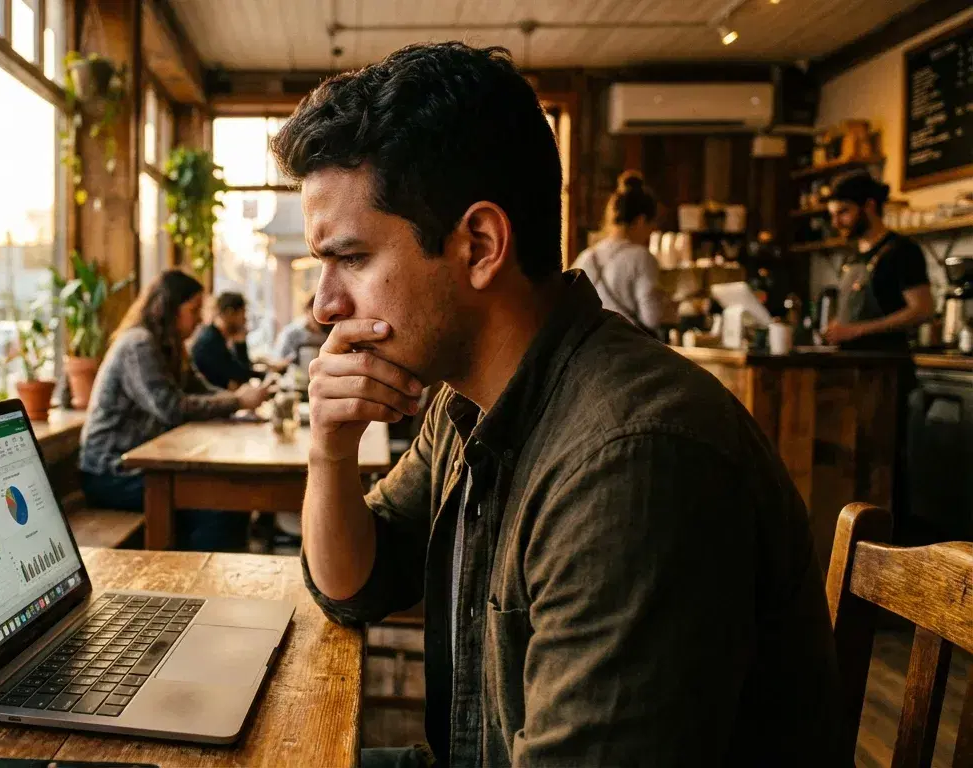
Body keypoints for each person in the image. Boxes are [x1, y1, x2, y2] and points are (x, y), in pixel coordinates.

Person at [271, 42, 840, 767]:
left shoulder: (633, 462)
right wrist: (330, 449)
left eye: (351, 258)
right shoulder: (467, 405)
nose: (324, 306)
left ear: (480, 244)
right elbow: (358, 585)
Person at [80, 270, 270, 551]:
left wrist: (240, 399)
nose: (200, 320)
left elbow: (201, 389)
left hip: (144, 464)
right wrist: (238, 401)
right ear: (168, 307)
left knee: (229, 497)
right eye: (194, 310)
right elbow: (171, 408)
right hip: (111, 472)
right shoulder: (139, 344)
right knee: (221, 506)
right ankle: (199, 584)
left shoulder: (171, 345)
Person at [822, 171, 934, 350]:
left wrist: (857, 330)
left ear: (869, 206)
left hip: (888, 367)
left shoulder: (902, 250)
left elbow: (922, 310)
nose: (835, 223)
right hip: (853, 366)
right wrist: (837, 327)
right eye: (832, 215)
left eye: (843, 212)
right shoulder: (852, 257)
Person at [572, 171, 676, 336]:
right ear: (641, 220)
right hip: (627, 351)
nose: (651, 232)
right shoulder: (641, 257)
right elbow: (652, 318)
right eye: (651, 226)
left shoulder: (587, 257)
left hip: (588, 351)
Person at [190, 292, 256, 390]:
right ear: (230, 313)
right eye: (243, 313)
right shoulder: (210, 343)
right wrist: (241, 342)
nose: (245, 320)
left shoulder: (217, 337)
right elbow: (242, 377)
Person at [273, 294, 329, 367]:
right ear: (307, 311)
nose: (319, 320)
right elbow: (279, 360)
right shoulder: (292, 333)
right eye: (314, 316)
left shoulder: (328, 332)